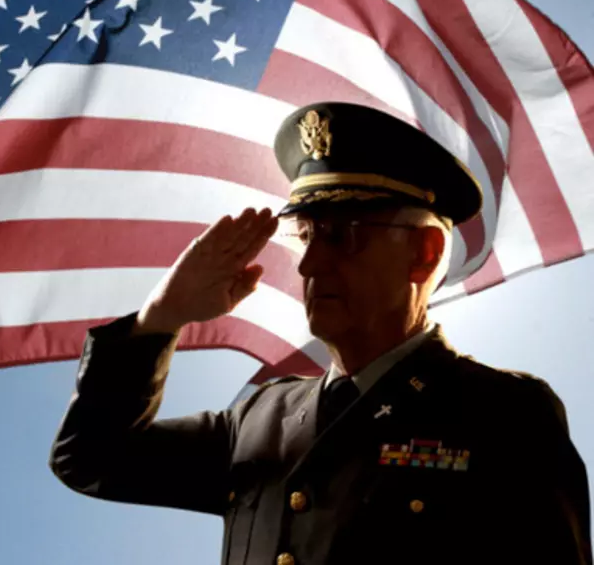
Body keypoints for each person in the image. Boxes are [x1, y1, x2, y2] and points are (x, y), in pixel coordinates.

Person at [49, 102, 592, 565]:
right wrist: (161, 318)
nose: (308, 266)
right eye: (304, 236)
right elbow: (91, 460)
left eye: (341, 236)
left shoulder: (502, 413)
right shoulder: (261, 417)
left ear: (423, 254)